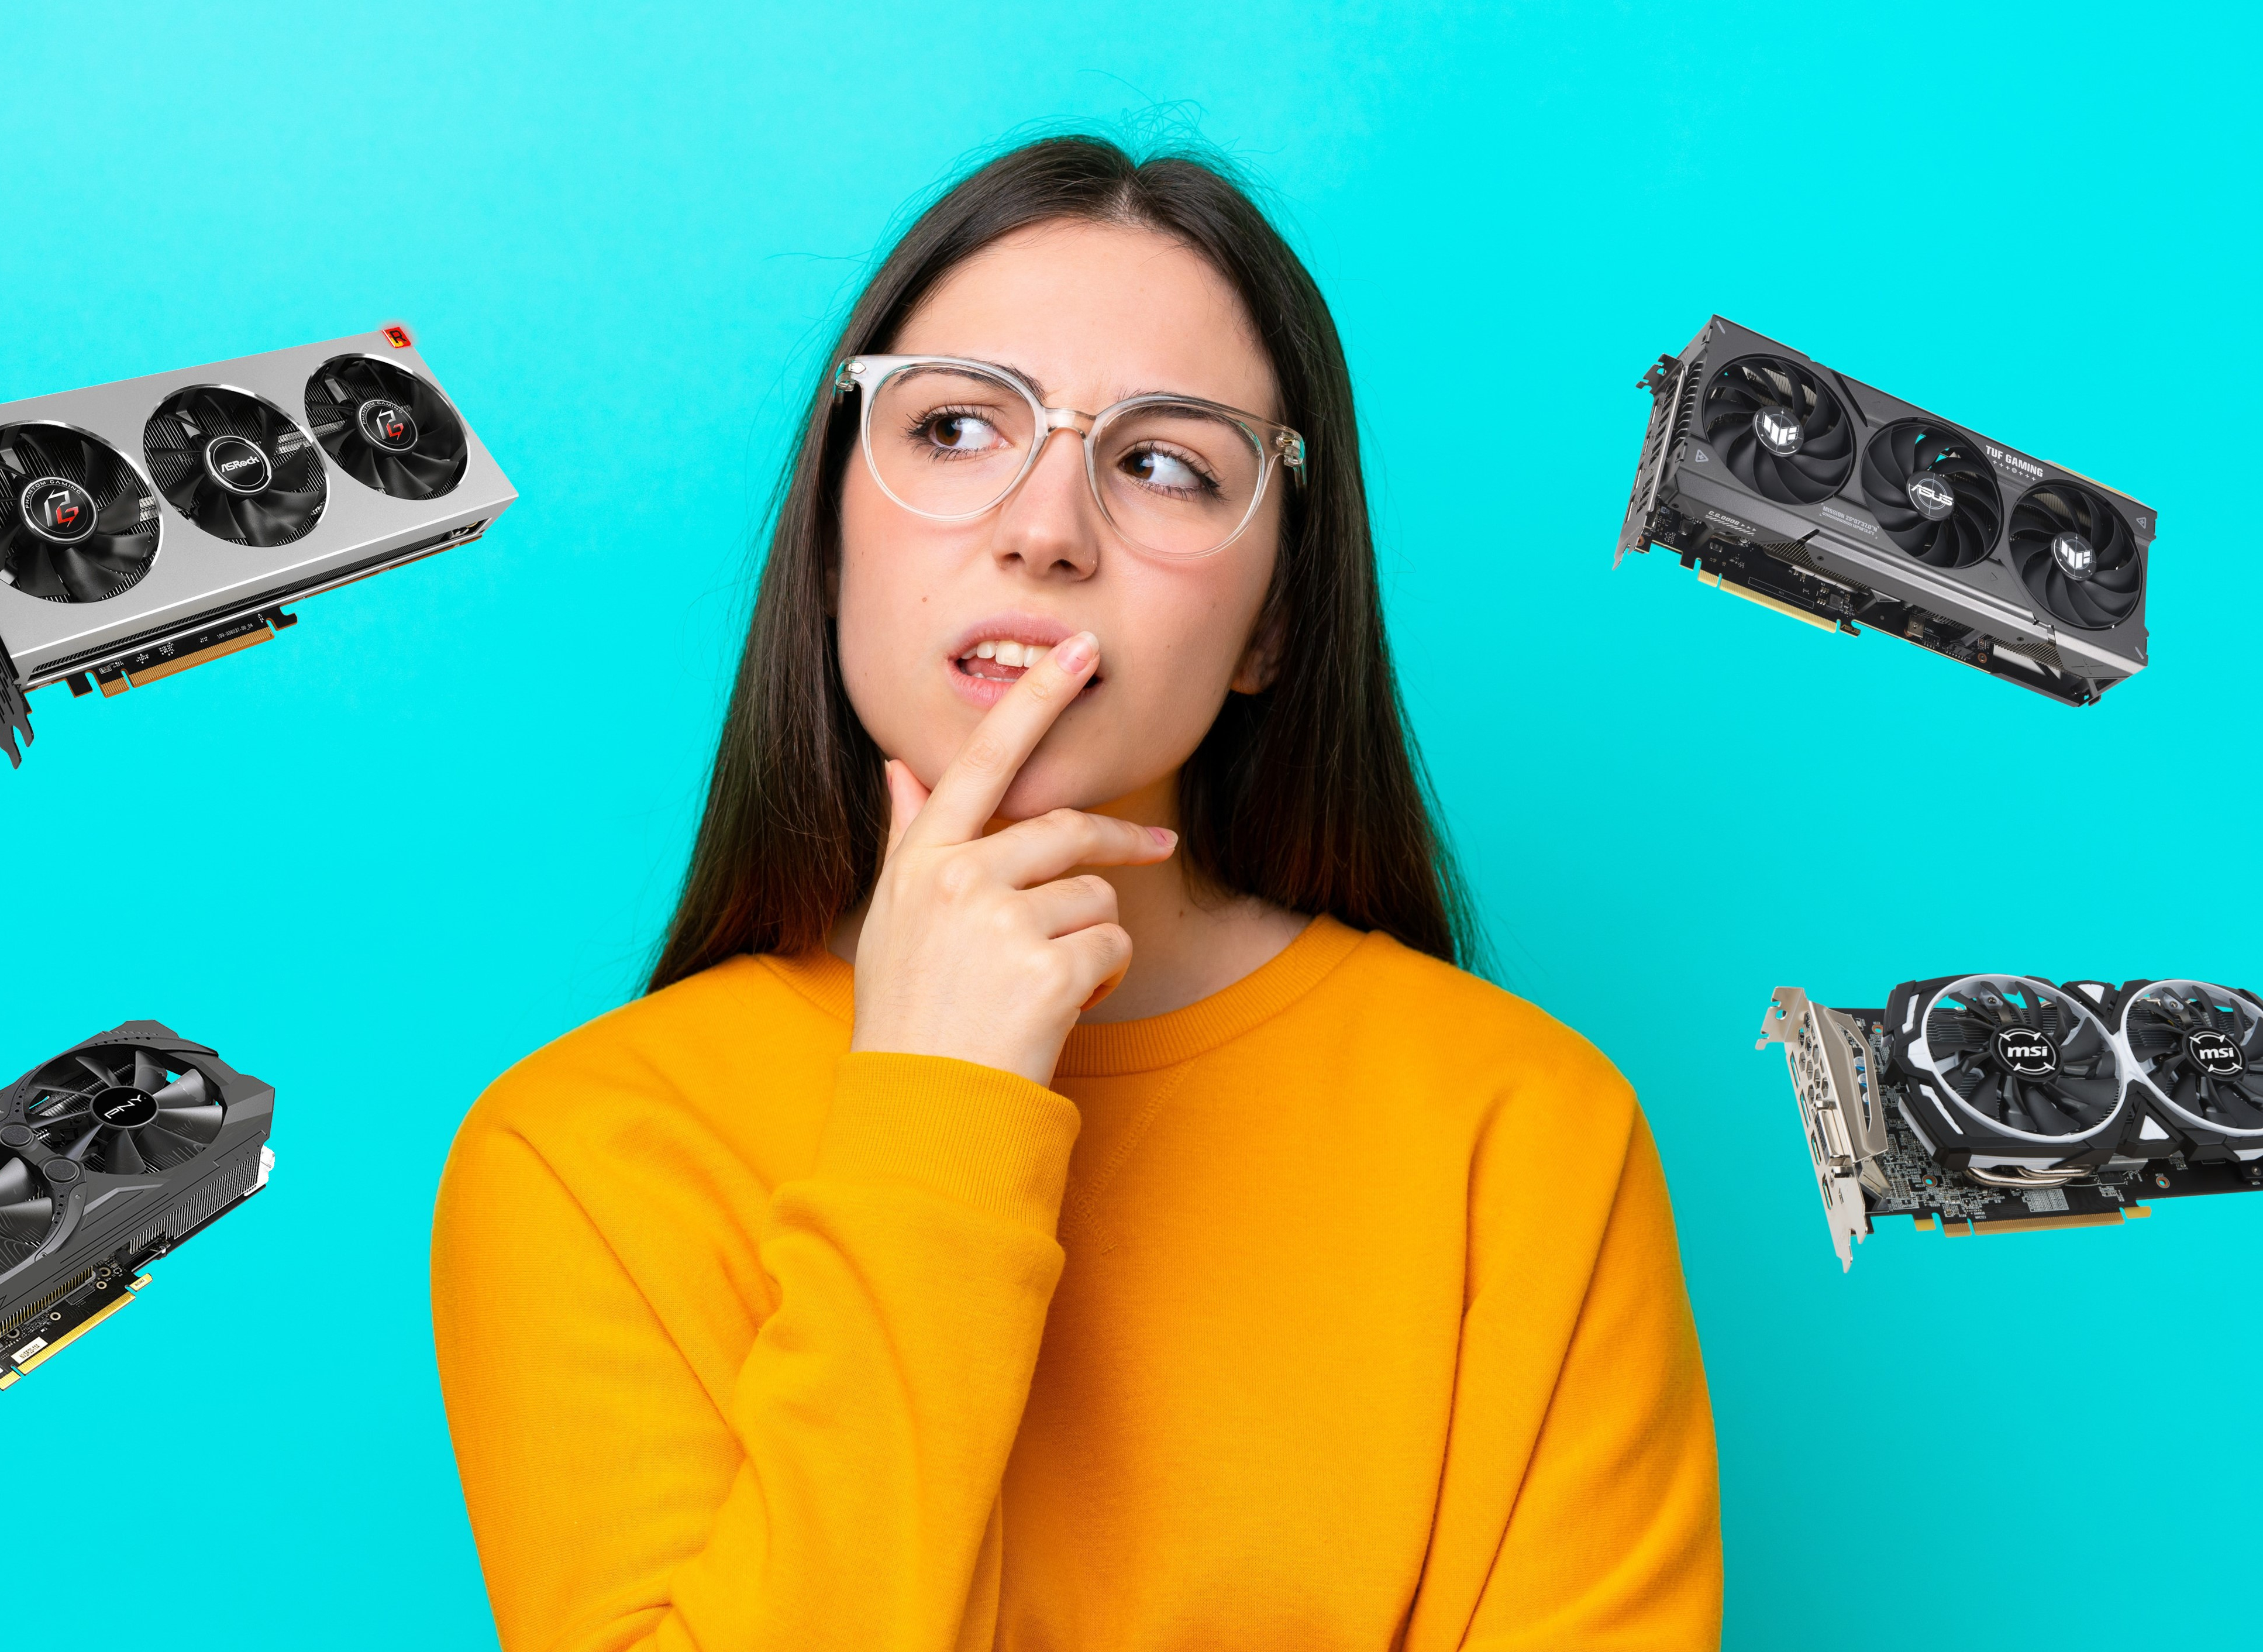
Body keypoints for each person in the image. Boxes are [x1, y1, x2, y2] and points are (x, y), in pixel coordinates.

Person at [430, 134, 1720, 1649]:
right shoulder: (579, 1157)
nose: (1045, 530)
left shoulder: (1525, 1137)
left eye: (1165, 464)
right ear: (833, 542)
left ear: (1272, 626)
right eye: (960, 428)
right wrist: (935, 1118)